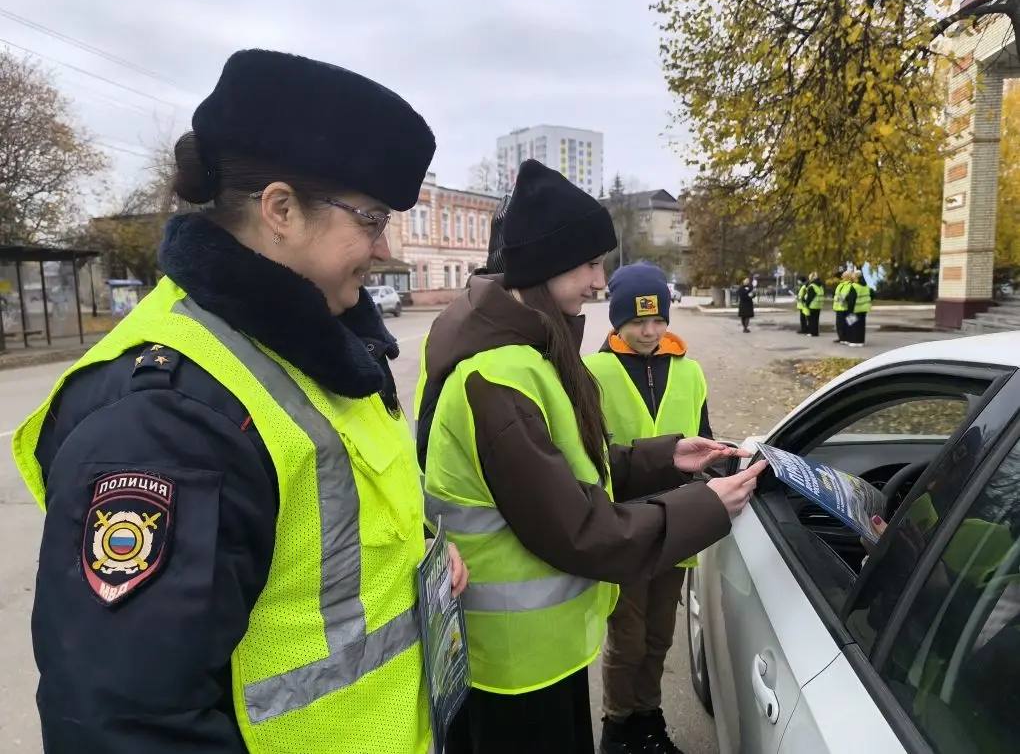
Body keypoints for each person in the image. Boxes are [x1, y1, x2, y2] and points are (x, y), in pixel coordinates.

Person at [12, 49, 467, 754]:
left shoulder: (325, 349)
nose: (382, 249)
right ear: (281, 209)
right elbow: (128, 726)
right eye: (371, 219)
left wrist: (425, 563)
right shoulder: (169, 415)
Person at [416, 159, 768, 754]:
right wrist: (707, 506)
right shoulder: (498, 376)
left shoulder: (525, 353)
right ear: (545, 265)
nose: (599, 282)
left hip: (537, 659)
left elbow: (573, 469)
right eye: (588, 264)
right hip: (510, 672)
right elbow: (578, 528)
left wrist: (664, 457)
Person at [583, 262, 712, 754]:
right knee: (628, 636)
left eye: (657, 319)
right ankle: (618, 727)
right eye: (638, 322)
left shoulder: (690, 371)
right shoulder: (593, 371)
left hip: (678, 522)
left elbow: (706, 435)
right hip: (625, 525)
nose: (649, 331)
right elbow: (585, 455)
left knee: (660, 634)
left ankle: (648, 719)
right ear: (617, 320)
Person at [844, 270, 873, 347]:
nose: (853, 278)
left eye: (854, 277)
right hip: (864, 309)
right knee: (861, 326)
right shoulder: (866, 286)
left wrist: (849, 310)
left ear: (856, 278)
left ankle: (854, 341)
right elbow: (872, 295)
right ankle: (860, 341)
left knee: (854, 325)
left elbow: (851, 300)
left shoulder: (855, 286)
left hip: (855, 309)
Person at [832, 269, 853, 344]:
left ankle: (846, 338)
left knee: (845, 324)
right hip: (838, 307)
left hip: (845, 308)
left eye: (843, 276)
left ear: (847, 277)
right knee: (839, 324)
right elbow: (837, 296)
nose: (842, 277)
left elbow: (848, 297)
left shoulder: (850, 285)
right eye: (842, 276)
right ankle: (841, 338)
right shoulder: (840, 285)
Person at [805, 272, 825, 337]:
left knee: (811, 320)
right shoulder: (820, 286)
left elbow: (810, 297)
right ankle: (816, 332)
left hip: (812, 305)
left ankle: (812, 332)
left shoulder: (812, 286)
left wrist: (807, 304)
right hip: (819, 305)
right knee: (816, 319)